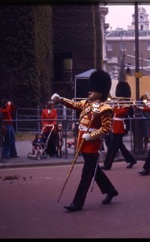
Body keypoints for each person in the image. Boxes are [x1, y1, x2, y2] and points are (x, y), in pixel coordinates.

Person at [51, 69, 119, 212]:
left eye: (92, 90)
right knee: (95, 170)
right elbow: (73, 104)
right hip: (83, 143)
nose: (89, 91)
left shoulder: (105, 108)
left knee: (86, 174)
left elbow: (106, 128)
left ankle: (78, 203)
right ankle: (111, 191)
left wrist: (91, 136)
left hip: (92, 144)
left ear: (99, 92)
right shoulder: (87, 104)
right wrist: (60, 99)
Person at [101, 81, 137, 170]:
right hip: (115, 126)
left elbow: (120, 113)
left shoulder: (126, 104)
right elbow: (112, 112)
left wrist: (116, 105)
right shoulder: (118, 104)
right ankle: (131, 160)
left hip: (120, 127)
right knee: (120, 145)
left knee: (112, 147)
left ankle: (107, 164)